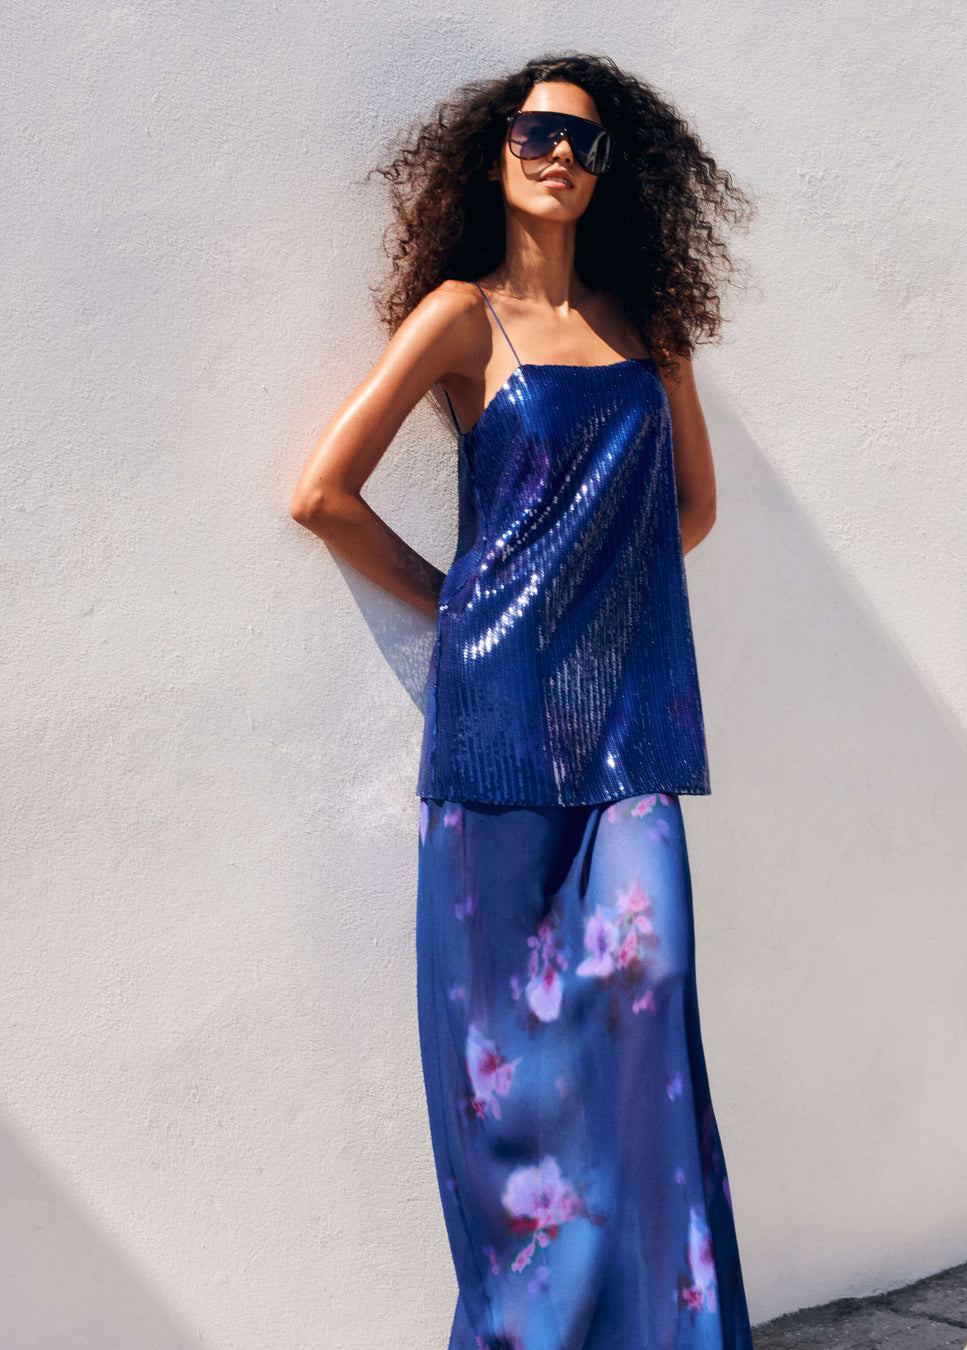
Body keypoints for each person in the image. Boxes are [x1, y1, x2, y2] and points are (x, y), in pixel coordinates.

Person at [291, 50, 756, 1350]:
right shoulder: (461, 318)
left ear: (612, 176)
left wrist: (600, 599)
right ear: (494, 150)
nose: (560, 154)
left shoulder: (648, 328)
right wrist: (461, 604)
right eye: (537, 130)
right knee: (503, 1070)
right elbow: (323, 493)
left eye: (586, 142)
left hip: (629, 729)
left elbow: (693, 509)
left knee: (648, 985)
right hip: (495, 725)